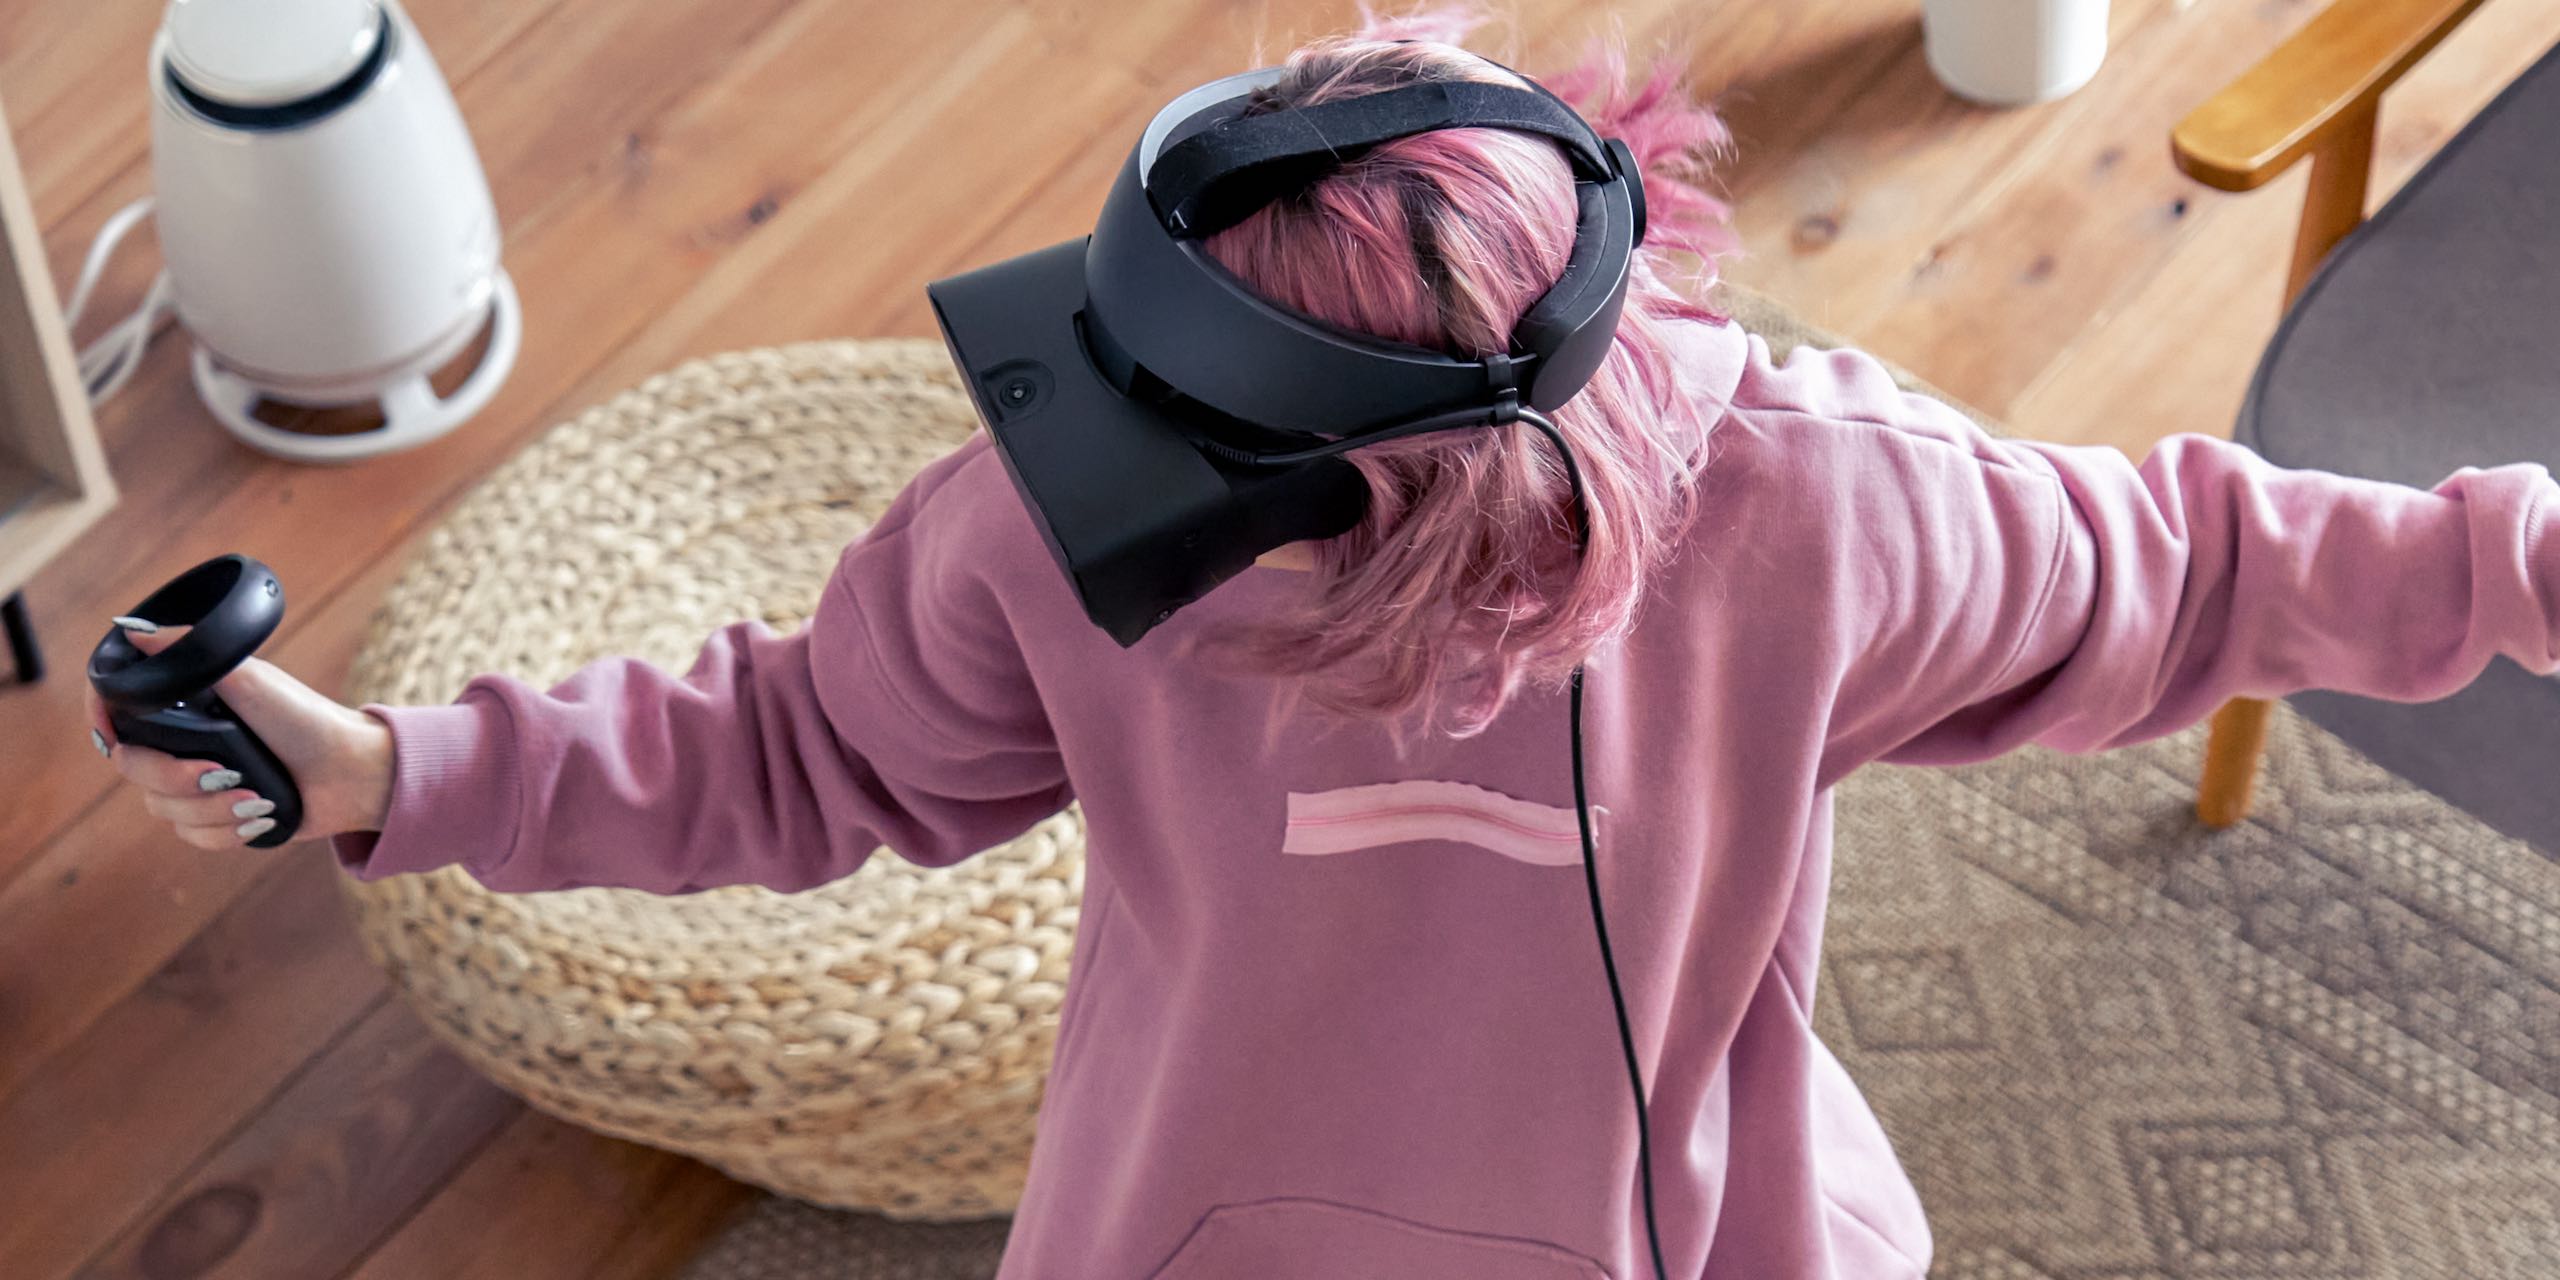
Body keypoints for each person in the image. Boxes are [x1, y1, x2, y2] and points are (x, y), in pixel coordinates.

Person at [88, 12, 2560, 1279]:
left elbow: (2201, 566)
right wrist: (390, 768)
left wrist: (2520, 559)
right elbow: (802, 744)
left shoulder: (1807, 514)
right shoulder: (1059, 537)